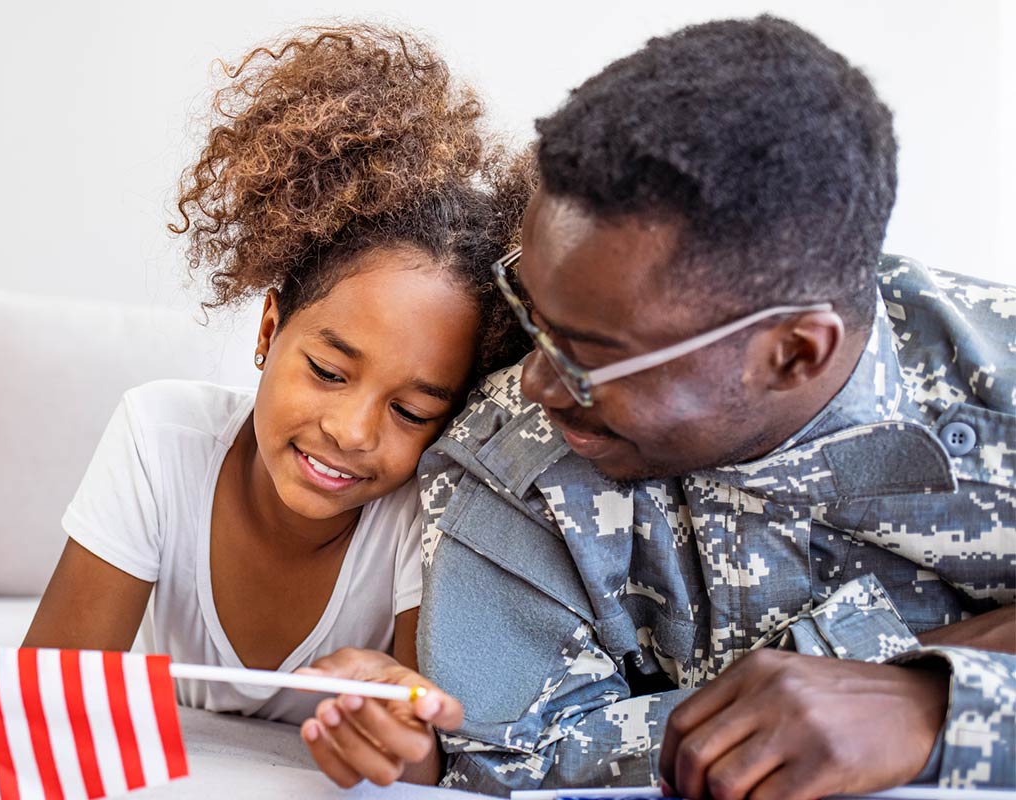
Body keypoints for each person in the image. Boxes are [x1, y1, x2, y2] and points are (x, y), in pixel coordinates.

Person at [296, 16, 1015, 796]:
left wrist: (940, 704)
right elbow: (511, 766)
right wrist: (920, 654)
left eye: (590, 355)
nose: (535, 381)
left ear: (795, 352)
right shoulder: (514, 465)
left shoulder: (997, 383)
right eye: (529, 308)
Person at [0, 23, 534, 755]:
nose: (353, 430)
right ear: (269, 328)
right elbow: (45, 702)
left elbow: (430, 758)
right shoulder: (160, 440)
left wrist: (395, 725)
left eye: (411, 410)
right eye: (329, 373)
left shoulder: (423, 507)